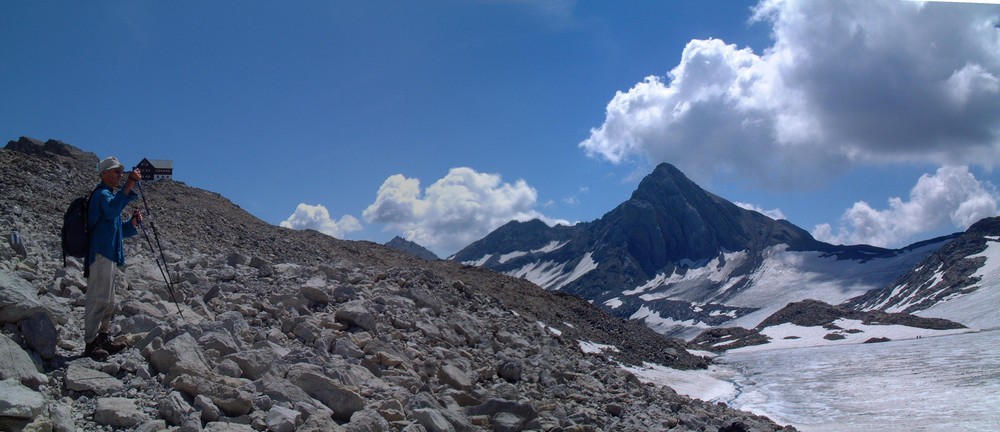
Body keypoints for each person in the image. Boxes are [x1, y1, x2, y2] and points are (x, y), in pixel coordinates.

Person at [83, 156, 143, 360]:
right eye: (117, 172)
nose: (120, 175)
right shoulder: (101, 195)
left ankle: (102, 338)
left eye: (121, 172)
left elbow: (116, 229)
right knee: (98, 299)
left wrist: (131, 223)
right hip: (100, 254)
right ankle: (90, 343)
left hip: (109, 254)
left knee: (108, 301)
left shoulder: (109, 196)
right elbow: (109, 213)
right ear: (105, 173)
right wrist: (130, 183)